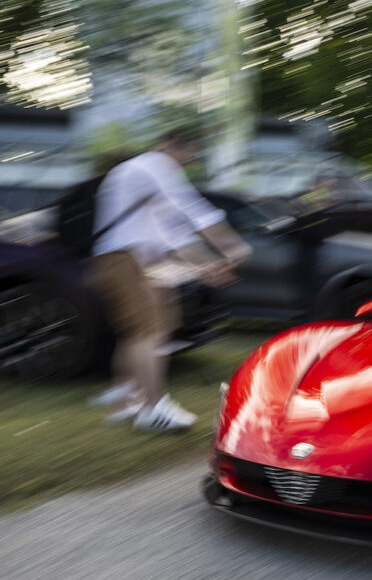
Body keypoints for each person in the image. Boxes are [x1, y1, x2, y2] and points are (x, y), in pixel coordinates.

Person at [87, 125, 250, 432]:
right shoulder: (152, 165)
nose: (187, 164)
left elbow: (172, 235)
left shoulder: (140, 175)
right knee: (148, 332)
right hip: (124, 259)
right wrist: (233, 246)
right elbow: (192, 210)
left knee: (148, 329)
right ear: (174, 144)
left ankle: (128, 401)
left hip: (130, 260)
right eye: (189, 156)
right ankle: (152, 409)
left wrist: (208, 267)